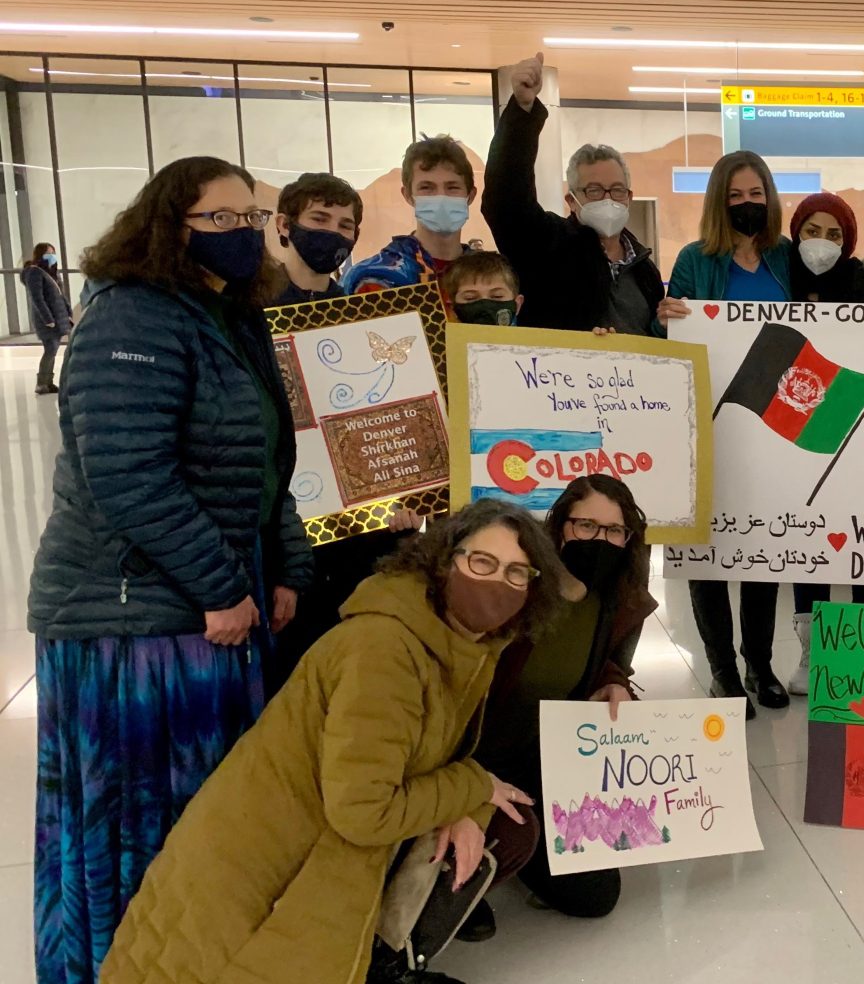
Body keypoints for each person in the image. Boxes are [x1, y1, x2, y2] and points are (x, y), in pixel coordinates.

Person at [27, 156, 313, 984]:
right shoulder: (131, 317)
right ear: (166, 224)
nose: (242, 234)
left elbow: (261, 465)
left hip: (210, 609)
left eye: (250, 219)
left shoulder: (230, 316)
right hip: (131, 621)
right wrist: (221, 587)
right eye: (220, 220)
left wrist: (283, 565)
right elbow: (127, 475)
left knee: (203, 821)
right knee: (134, 822)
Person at [100, 500, 560, 984]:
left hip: (304, 846)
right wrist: (472, 785)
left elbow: (404, 759)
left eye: (517, 573)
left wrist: (461, 803)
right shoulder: (386, 650)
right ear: (444, 561)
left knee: (505, 822)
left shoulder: (458, 644)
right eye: (481, 562)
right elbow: (363, 811)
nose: (496, 582)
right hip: (265, 880)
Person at [268, 252, 524, 698]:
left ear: (516, 303)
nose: (483, 303)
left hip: (520, 528)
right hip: (448, 542)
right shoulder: (421, 357)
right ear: (449, 302)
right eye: (471, 296)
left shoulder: (539, 351)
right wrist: (398, 506)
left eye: (495, 296)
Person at [460, 476, 654, 943]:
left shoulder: (619, 599)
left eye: (613, 531)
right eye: (586, 525)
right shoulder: (517, 584)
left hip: (544, 761)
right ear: (560, 525)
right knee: (477, 866)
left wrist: (612, 683)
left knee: (595, 896)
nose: (599, 540)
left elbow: (607, 663)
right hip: (470, 761)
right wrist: (460, 790)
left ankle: (516, 848)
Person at [656, 150, 795, 718]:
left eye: (754, 194)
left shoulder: (788, 258)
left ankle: (759, 662)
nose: (746, 205)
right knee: (707, 552)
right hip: (709, 423)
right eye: (734, 196)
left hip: (777, 426)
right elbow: (673, 338)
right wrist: (666, 317)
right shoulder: (695, 260)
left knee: (764, 550)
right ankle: (722, 670)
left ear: (769, 197)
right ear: (720, 201)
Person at [782, 190, 864, 693]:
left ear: (847, 242)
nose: (821, 243)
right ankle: (813, 653)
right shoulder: (779, 280)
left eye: (833, 234)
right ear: (795, 232)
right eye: (811, 230)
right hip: (801, 427)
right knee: (812, 541)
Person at [485, 52, 664, 334]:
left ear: (629, 197)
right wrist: (522, 111)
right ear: (571, 200)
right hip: (560, 377)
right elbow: (506, 201)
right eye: (593, 190)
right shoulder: (547, 246)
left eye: (616, 190)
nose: (607, 199)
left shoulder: (645, 270)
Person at [342, 134, 478, 294]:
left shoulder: (492, 277)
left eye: (452, 187)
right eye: (427, 188)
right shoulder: (372, 277)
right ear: (408, 196)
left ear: (471, 195)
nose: (440, 197)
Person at [268, 171, 361, 306]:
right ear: (285, 225)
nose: (333, 231)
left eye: (345, 226)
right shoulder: (249, 305)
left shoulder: (355, 312)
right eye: (319, 219)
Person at [23, 241, 71, 394]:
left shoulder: (50, 273)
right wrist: (48, 319)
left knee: (53, 349)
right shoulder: (34, 272)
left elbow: (60, 296)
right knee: (50, 349)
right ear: (40, 254)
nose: (52, 256)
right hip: (48, 320)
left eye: (53, 252)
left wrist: (68, 312)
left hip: (57, 317)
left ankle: (48, 382)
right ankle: (41, 383)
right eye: (49, 253)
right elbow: (37, 298)